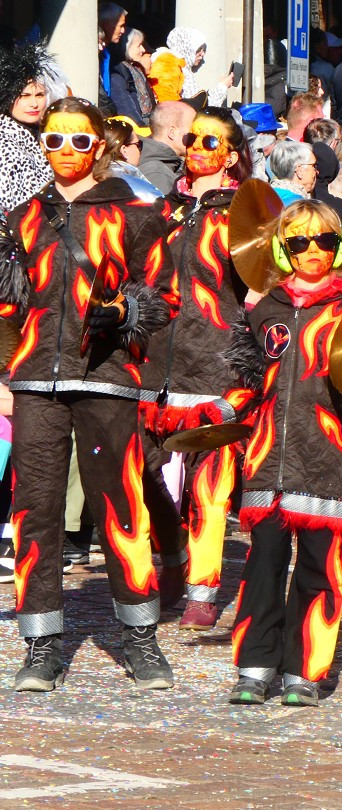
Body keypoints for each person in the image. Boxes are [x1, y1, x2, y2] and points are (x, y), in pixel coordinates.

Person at [1, 97, 176, 692]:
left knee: (120, 508)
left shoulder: (135, 211)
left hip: (106, 378)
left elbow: (164, 295)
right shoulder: (23, 216)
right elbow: (5, 307)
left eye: (78, 141)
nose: (65, 153)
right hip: (32, 383)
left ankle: (140, 639)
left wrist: (127, 310)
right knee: (36, 510)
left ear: (99, 146)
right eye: (53, 141)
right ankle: (41, 645)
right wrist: (4, 375)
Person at [223, 199, 342, 706]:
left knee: (317, 567)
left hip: (328, 456)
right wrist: (223, 413)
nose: (314, 251)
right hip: (268, 458)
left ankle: (305, 670)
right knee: (263, 563)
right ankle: (255, 665)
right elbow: (247, 377)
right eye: (299, 242)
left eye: (325, 241)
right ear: (281, 249)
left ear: (339, 247)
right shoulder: (263, 308)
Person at [139, 107, 251, 631]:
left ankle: (203, 588)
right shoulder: (164, 209)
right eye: (193, 139)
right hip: (154, 365)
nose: (198, 148)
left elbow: (264, 287)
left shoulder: (247, 212)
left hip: (215, 364)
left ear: (230, 155)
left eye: (211, 142)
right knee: (149, 479)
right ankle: (170, 561)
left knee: (210, 485)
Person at [0, 42, 56, 214]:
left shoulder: (41, 134)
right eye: (24, 96)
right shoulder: (6, 145)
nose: (34, 104)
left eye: (39, 95)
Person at [149, 27, 233, 106]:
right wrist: (222, 87)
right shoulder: (172, 65)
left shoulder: (183, 67)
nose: (202, 54)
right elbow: (195, 106)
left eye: (203, 50)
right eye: (198, 50)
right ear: (187, 48)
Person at [139, 100, 196, 195]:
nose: (197, 138)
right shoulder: (157, 175)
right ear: (172, 132)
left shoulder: (164, 163)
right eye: (192, 132)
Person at [101, 116, 160, 201]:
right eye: (138, 145)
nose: (140, 151)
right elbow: (162, 209)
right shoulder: (138, 189)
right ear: (124, 150)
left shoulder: (87, 179)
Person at [109, 28, 156, 128]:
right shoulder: (117, 75)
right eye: (139, 46)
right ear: (126, 46)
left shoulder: (136, 70)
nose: (143, 50)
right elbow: (127, 111)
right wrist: (145, 132)